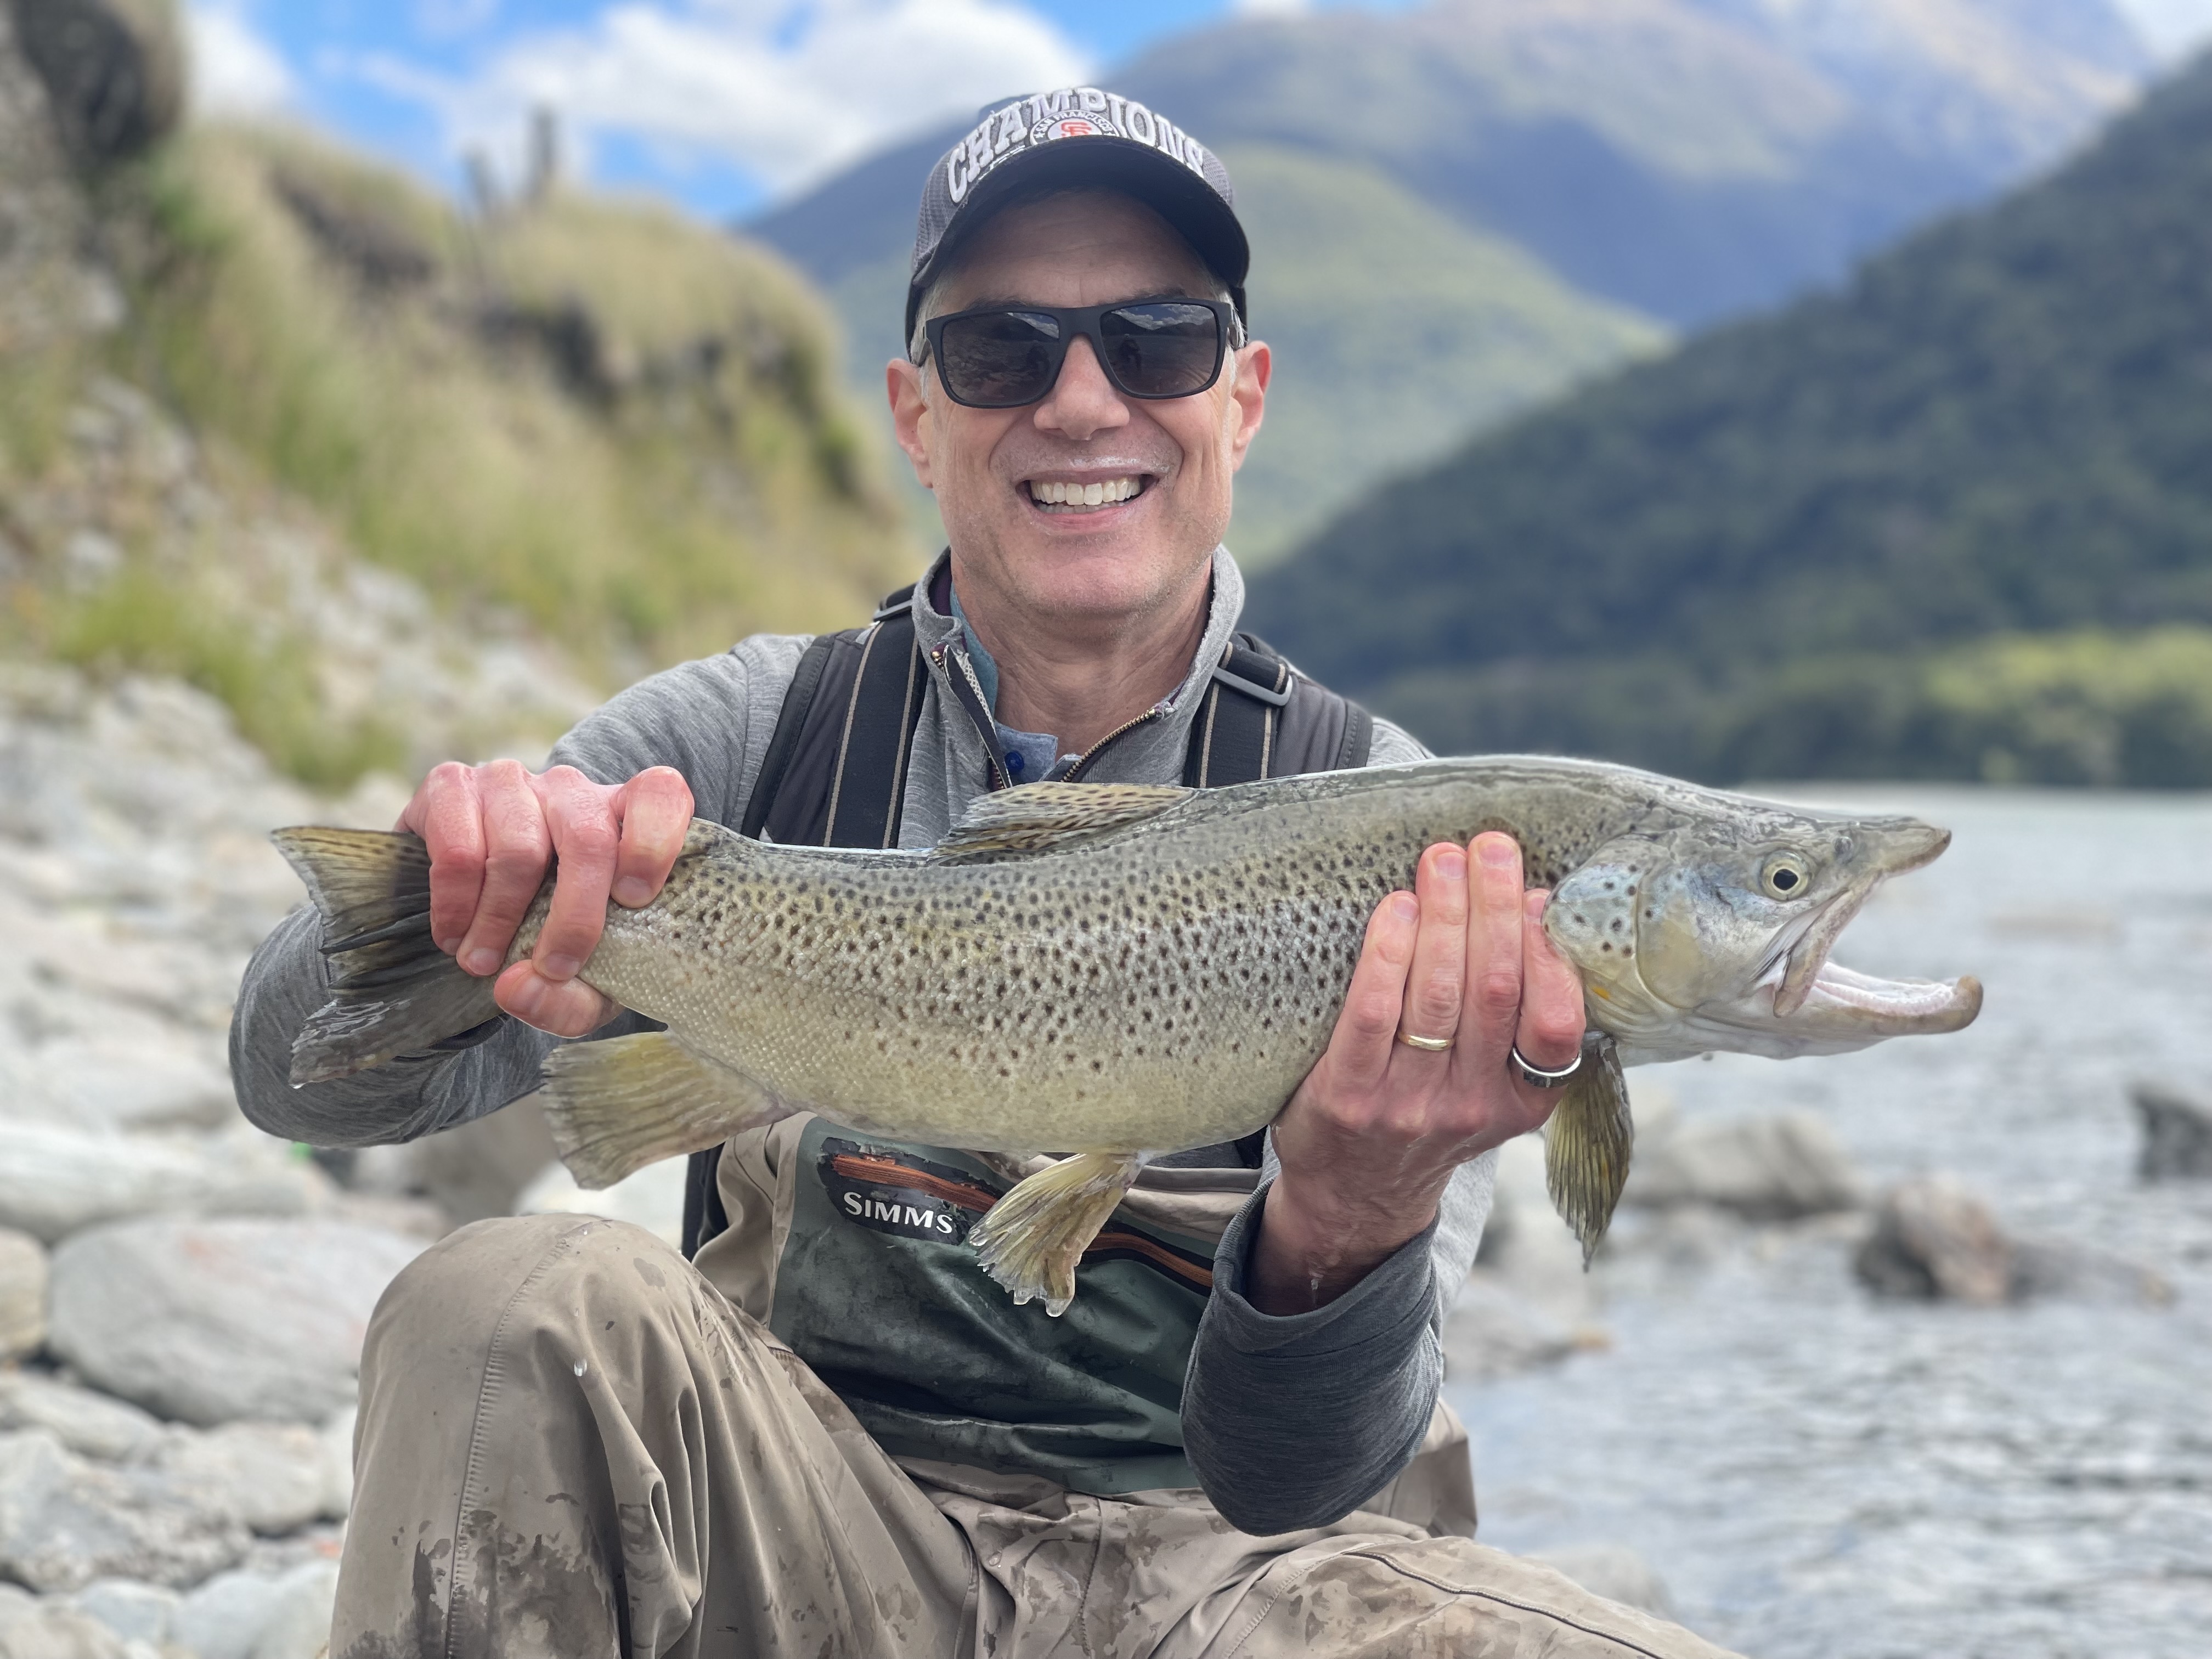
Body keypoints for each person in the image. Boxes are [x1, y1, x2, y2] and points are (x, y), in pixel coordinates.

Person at [232, 87, 1738, 1659]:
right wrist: (448, 901)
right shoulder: (745, 740)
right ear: (915, 415)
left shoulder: (1414, 838)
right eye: (1003, 351)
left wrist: (1352, 1222)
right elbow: (299, 1085)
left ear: (1243, 399)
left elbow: (1310, 1477)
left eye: (1157, 343)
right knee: (501, 1305)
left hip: (1228, 1585)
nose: (1082, 403)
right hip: (797, 1548)